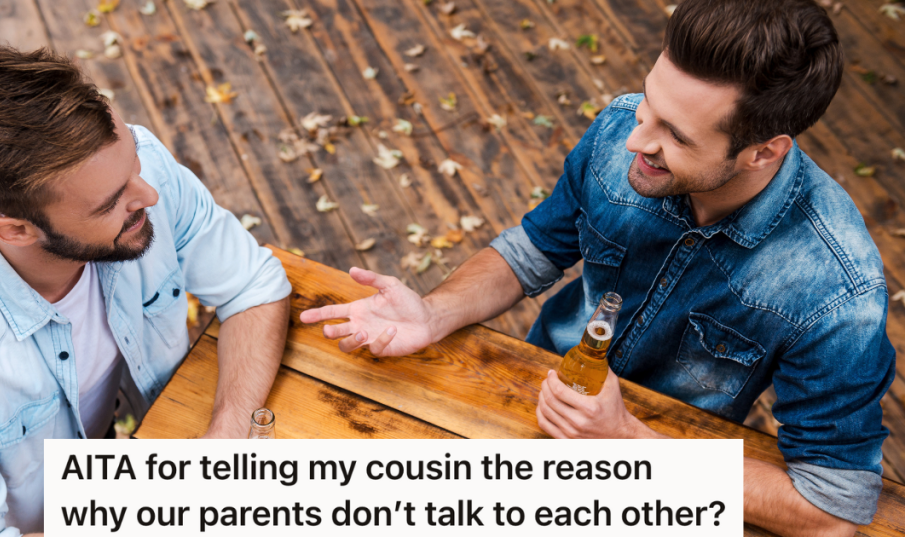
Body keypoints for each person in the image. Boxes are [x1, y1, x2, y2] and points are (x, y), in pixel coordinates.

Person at [301, 0, 894, 535]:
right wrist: (434, 312)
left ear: (763, 151)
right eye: (648, 103)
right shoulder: (624, 126)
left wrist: (627, 441)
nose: (635, 139)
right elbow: (534, 249)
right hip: (528, 400)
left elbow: (831, 508)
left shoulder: (838, 290)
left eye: (675, 135)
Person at [0, 47, 292, 536]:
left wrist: (223, 445)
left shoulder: (126, 175)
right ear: (15, 230)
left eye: (134, 163)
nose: (148, 196)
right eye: (110, 204)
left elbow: (253, 286)